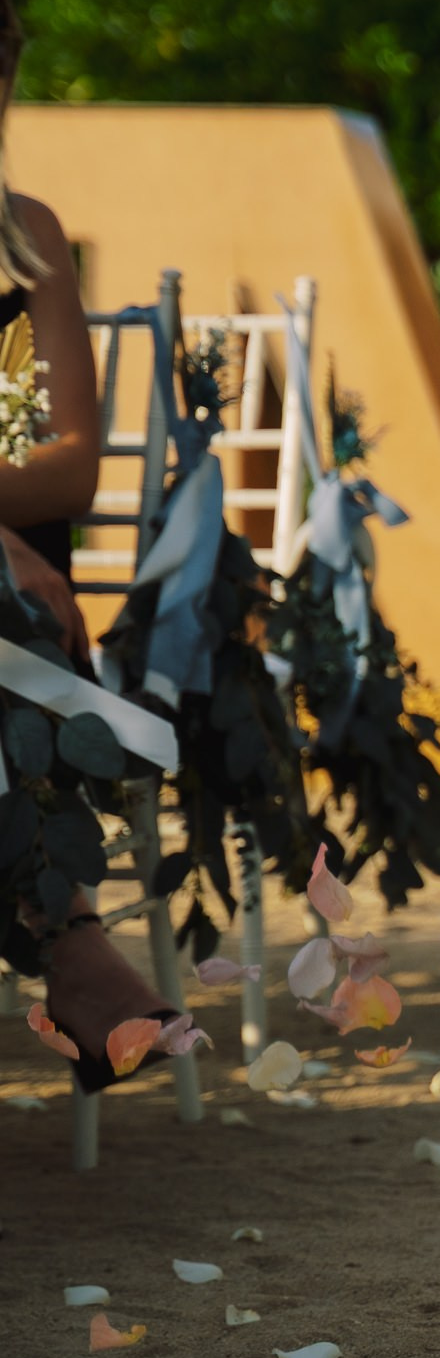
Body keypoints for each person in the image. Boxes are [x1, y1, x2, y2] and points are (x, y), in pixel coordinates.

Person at [0, 170, 182, 1082]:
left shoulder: (22, 231)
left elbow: (73, 468)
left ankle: (66, 932)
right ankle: (70, 936)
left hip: (24, 620)